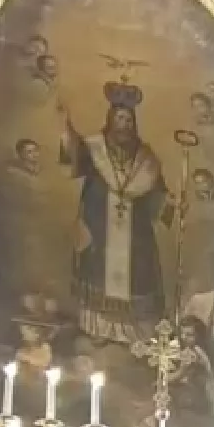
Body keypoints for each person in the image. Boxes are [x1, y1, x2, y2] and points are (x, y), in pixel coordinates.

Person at [59, 81, 172, 342]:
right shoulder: (94, 148)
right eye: (119, 118)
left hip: (136, 235)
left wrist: (172, 205)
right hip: (99, 227)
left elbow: (158, 195)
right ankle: (98, 330)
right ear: (110, 119)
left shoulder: (146, 159)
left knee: (137, 274)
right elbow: (72, 162)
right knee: (97, 271)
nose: (124, 125)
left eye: (128, 120)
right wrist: (66, 130)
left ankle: (133, 335)